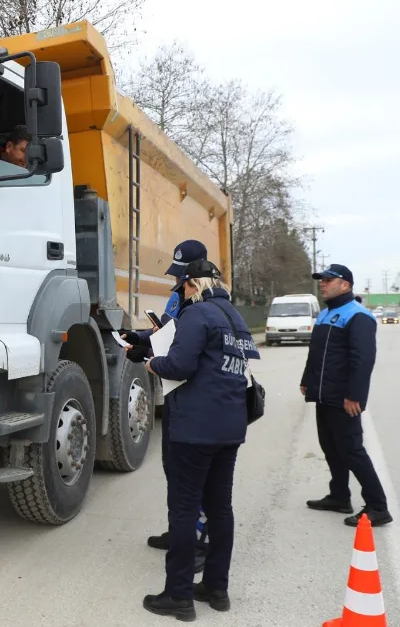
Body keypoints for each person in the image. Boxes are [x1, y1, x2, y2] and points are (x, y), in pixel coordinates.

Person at [141, 258, 260, 621]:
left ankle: (177, 596)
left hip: (194, 430)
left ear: (193, 284)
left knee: (184, 510)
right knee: (220, 508)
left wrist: (151, 363)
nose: (182, 292)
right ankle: (216, 587)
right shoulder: (235, 319)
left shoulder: (197, 315)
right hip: (230, 428)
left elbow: (179, 365)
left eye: (183, 286)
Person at [120, 239, 210, 573]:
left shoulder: (205, 305)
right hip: (173, 394)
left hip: (192, 395)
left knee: (192, 474)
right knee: (172, 467)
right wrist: (139, 337)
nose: (178, 280)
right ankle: (182, 531)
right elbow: (167, 333)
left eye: (183, 273)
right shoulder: (179, 297)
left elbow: (185, 352)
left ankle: (200, 540)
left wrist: (150, 356)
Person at [300, 264, 392, 527]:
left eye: (329, 280)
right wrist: (307, 380)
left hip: (344, 398)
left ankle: (378, 506)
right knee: (330, 448)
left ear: (346, 285)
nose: (323, 284)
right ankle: (339, 497)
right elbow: (315, 353)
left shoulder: (358, 316)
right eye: (322, 280)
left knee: (352, 450)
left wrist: (355, 397)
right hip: (323, 394)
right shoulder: (325, 315)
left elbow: (363, 361)